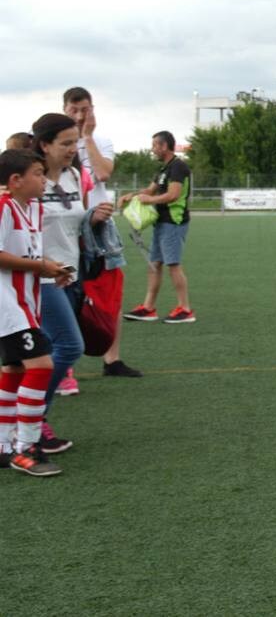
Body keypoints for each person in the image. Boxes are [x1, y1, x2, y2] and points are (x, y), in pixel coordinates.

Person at [31, 113, 114, 454]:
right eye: (64, 143)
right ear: (44, 145)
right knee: (69, 346)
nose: (70, 150)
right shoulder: (28, 180)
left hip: (72, 274)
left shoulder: (75, 176)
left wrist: (92, 217)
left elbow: (74, 222)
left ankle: (25, 422)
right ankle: (32, 420)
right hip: (40, 278)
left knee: (40, 355)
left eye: (73, 143)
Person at [0, 148, 71, 476]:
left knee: (14, 371)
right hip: (8, 305)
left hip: (25, 304)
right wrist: (41, 265)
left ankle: (3, 444)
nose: (44, 180)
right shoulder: (4, 207)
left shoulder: (33, 211)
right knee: (42, 365)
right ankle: (26, 447)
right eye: (38, 174)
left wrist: (50, 269)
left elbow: (25, 260)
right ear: (15, 181)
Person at [63, 87, 140, 378]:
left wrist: (87, 138)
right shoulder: (53, 143)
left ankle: (112, 359)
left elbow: (104, 173)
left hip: (101, 228)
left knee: (111, 291)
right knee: (67, 291)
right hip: (67, 226)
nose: (81, 115)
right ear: (64, 109)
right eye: (74, 109)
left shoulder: (101, 141)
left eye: (86, 109)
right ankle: (64, 365)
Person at [119, 131, 193, 323]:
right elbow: (149, 190)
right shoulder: (163, 169)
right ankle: (148, 307)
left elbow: (173, 195)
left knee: (173, 265)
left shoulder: (178, 167)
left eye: (155, 146)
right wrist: (132, 196)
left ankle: (185, 309)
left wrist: (150, 199)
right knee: (154, 265)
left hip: (173, 222)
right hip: (161, 222)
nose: (152, 149)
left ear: (164, 146)